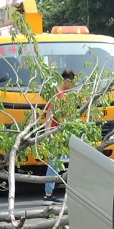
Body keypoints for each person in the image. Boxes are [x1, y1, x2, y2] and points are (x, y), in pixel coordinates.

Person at [42, 69, 75, 205]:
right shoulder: (58, 94)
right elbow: (49, 114)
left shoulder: (63, 94)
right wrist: (47, 133)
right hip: (56, 133)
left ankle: (51, 193)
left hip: (61, 133)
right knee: (54, 164)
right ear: (67, 81)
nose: (72, 86)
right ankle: (48, 195)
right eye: (71, 83)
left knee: (58, 163)